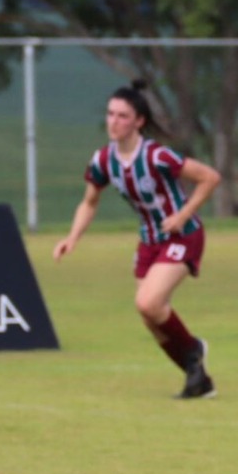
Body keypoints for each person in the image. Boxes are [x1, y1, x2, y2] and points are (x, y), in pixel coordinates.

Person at [53, 81, 221, 399]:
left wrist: (182, 215)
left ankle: (194, 350)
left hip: (183, 235)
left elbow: (210, 178)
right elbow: (89, 202)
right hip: (149, 241)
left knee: (148, 302)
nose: (114, 122)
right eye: (110, 114)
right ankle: (198, 379)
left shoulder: (157, 156)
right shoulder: (104, 160)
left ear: (139, 121)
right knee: (150, 316)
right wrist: (72, 237)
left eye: (123, 116)